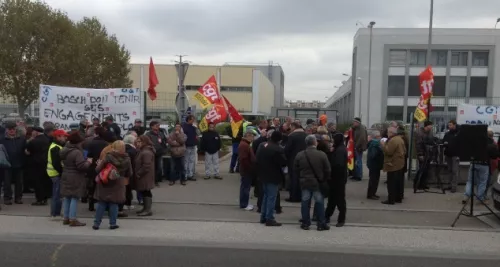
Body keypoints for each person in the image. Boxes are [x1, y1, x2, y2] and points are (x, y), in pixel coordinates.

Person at [294, 135, 331, 231]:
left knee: (305, 202)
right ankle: (321, 224)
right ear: (315, 142)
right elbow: (328, 170)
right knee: (319, 203)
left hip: (304, 181)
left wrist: (301, 177)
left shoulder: (300, 154)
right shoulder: (322, 154)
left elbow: (295, 169)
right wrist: (323, 179)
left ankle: (305, 223)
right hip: (317, 182)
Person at [93, 141, 132, 230]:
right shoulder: (127, 159)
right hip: (118, 183)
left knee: (102, 203)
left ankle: (96, 224)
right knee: (114, 203)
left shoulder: (108, 156)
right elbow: (130, 173)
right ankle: (113, 224)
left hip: (105, 181)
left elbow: (98, 169)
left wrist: (99, 164)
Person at [60, 132, 92, 226]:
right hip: (75, 176)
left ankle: (66, 218)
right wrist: (88, 162)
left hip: (66, 174)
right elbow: (81, 166)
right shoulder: (77, 152)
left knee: (67, 197)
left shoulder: (64, 150)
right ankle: (73, 219)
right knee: (74, 197)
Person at [256, 130, 286, 226]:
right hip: (273, 175)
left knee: (266, 196)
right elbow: (283, 162)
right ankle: (269, 218)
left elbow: (257, 158)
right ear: (279, 140)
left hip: (262, 174)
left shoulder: (262, 145)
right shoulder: (278, 149)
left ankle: (263, 217)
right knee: (271, 197)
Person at [463, 128, 499, 205]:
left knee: (470, 181)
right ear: (492, 136)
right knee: (482, 182)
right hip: (484, 165)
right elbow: (495, 156)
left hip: (474, 163)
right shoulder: (492, 144)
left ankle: (466, 196)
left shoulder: (476, 142)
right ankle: (480, 198)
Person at [86, 129, 116, 211]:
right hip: (104, 167)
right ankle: (104, 205)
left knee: (92, 186)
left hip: (93, 166)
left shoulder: (92, 143)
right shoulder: (106, 145)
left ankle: (91, 205)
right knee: (103, 186)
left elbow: (89, 155)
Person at [0, 121, 27, 205]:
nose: (12, 131)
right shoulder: (2, 139)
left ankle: (18, 198)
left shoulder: (21, 139)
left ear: (16, 130)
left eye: (13, 129)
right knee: (7, 183)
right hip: (7, 164)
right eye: (10, 129)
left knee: (19, 183)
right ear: (7, 130)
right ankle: (7, 198)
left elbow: (25, 150)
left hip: (19, 164)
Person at [325, 133, 348, 227]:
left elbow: (337, 165)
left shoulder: (339, 150)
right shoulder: (340, 149)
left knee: (338, 199)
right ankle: (327, 215)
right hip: (338, 178)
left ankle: (340, 218)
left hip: (337, 178)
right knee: (333, 199)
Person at [381, 127, 406, 205]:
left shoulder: (393, 140)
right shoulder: (400, 139)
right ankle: (398, 198)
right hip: (399, 163)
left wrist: (383, 145)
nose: (387, 134)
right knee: (398, 183)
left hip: (393, 164)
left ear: (391, 133)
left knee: (391, 183)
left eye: (388, 132)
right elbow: (404, 150)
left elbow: (389, 152)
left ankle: (391, 200)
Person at [47, 130, 69, 220]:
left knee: (57, 194)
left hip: (54, 173)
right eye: (64, 136)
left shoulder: (56, 146)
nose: (65, 138)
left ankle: (55, 213)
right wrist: (61, 172)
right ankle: (55, 214)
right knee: (57, 195)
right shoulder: (56, 147)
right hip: (56, 173)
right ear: (58, 136)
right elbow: (56, 163)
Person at [27, 126, 51, 206]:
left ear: (36, 132)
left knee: (37, 182)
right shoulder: (47, 140)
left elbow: (27, 152)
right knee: (45, 182)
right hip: (46, 163)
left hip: (36, 164)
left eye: (33, 131)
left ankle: (39, 199)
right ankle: (45, 199)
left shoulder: (33, 141)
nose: (32, 133)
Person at [284, 122, 307, 203]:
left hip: (293, 160)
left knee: (293, 179)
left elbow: (287, 149)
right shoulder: (306, 135)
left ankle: (293, 197)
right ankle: (301, 196)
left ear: (294, 127)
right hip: (304, 160)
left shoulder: (292, 136)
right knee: (302, 178)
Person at [133, 135, 156, 216]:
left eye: (140, 142)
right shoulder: (142, 150)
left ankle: (147, 210)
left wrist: (139, 173)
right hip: (144, 176)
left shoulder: (146, 152)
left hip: (145, 176)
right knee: (144, 191)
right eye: (137, 141)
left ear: (145, 142)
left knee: (146, 191)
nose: (137, 143)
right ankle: (145, 208)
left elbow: (146, 166)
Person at [238, 130, 256, 211]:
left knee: (245, 187)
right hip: (246, 170)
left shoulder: (245, 144)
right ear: (248, 136)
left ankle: (244, 203)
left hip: (246, 170)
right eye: (252, 136)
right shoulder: (244, 145)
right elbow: (244, 159)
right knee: (245, 187)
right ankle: (244, 204)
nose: (253, 138)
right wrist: (250, 168)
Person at [121, 134, 138, 214]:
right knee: (128, 188)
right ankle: (127, 203)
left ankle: (125, 203)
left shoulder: (123, 148)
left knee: (125, 188)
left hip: (124, 172)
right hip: (130, 172)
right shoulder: (133, 150)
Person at [146, 121, 167, 185]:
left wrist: (164, 149)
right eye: (156, 125)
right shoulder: (148, 134)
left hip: (159, 153)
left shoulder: (160, 133)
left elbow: (164, 142)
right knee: (152, 167)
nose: (158, 127)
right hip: (151, 153)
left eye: (158, 126)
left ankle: (157, 179)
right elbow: (147, 143)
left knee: (159, 167)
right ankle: (153, 180)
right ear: (152, 126)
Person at [415, 120, 434, 190]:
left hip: (428, 153)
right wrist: (420, 154)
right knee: (421, 169)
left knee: (426, 170)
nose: (431, 127)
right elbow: (418, 144)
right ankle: (417, 184)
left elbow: (431, 141)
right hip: (422, 154)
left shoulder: (430, 132)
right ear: (427, 126)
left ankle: (423, 184)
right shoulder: (419, 133)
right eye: (430, 126)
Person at [443, 120, 460, 193]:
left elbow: (461, 144)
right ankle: (449, 185)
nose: (449, 126)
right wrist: (444, 143)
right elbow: (443, 141)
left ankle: (454, 187)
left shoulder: (458, 134)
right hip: (448, 154)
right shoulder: (447, 134)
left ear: (454, 125)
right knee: (449, 170)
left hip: (455, 155)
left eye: (450, 125)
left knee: (454, 171)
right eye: (448, 125)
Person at [366, 131, 384, 200]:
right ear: (376, 137)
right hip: (374, 165)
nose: (380, 137)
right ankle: (371, 194)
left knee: (374, 180)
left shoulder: (375, 143)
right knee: (373, 180)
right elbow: (373, 155)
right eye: (379, 136)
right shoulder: (375, 144)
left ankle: (372, 193)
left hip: (374, 165)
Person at [182, 115, 198, 180]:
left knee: (191, 161)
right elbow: (183, 137)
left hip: (193, 146)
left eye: (194, 120)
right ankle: (185, 175)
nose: (193, 121)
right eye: (192, 120)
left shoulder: (193, 127)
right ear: (188, 120)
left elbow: (197, 134)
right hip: (187, 146)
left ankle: (190, 175)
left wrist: (197, 128)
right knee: (186, 161)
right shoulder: (184, 127)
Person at [351, 117, 368, 181]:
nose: (353, 123)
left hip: (359, 147)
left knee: (358, 161)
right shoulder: (356, 128)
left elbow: (362, 138)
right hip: (356, 146)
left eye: (354, 122)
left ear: (358, 122)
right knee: (356, 161)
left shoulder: (361, 128)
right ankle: (355, 174)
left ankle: (359, 176)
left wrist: (356, 146)